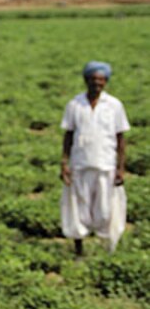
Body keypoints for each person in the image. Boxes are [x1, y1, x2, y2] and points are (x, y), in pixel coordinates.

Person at [60, 61, 130, 256]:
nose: (96, 84)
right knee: (77, 208)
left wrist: (121, 167)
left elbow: (121, 139)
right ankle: (79, 251)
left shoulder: (114, 105)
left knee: (106, 209)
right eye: (92, 80)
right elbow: (68, 136)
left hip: (106, 164)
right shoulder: (75, 104)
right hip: (79, 164)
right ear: (85, 80)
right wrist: (64, 163)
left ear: (106, 82)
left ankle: (108, 250)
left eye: (100, 80)